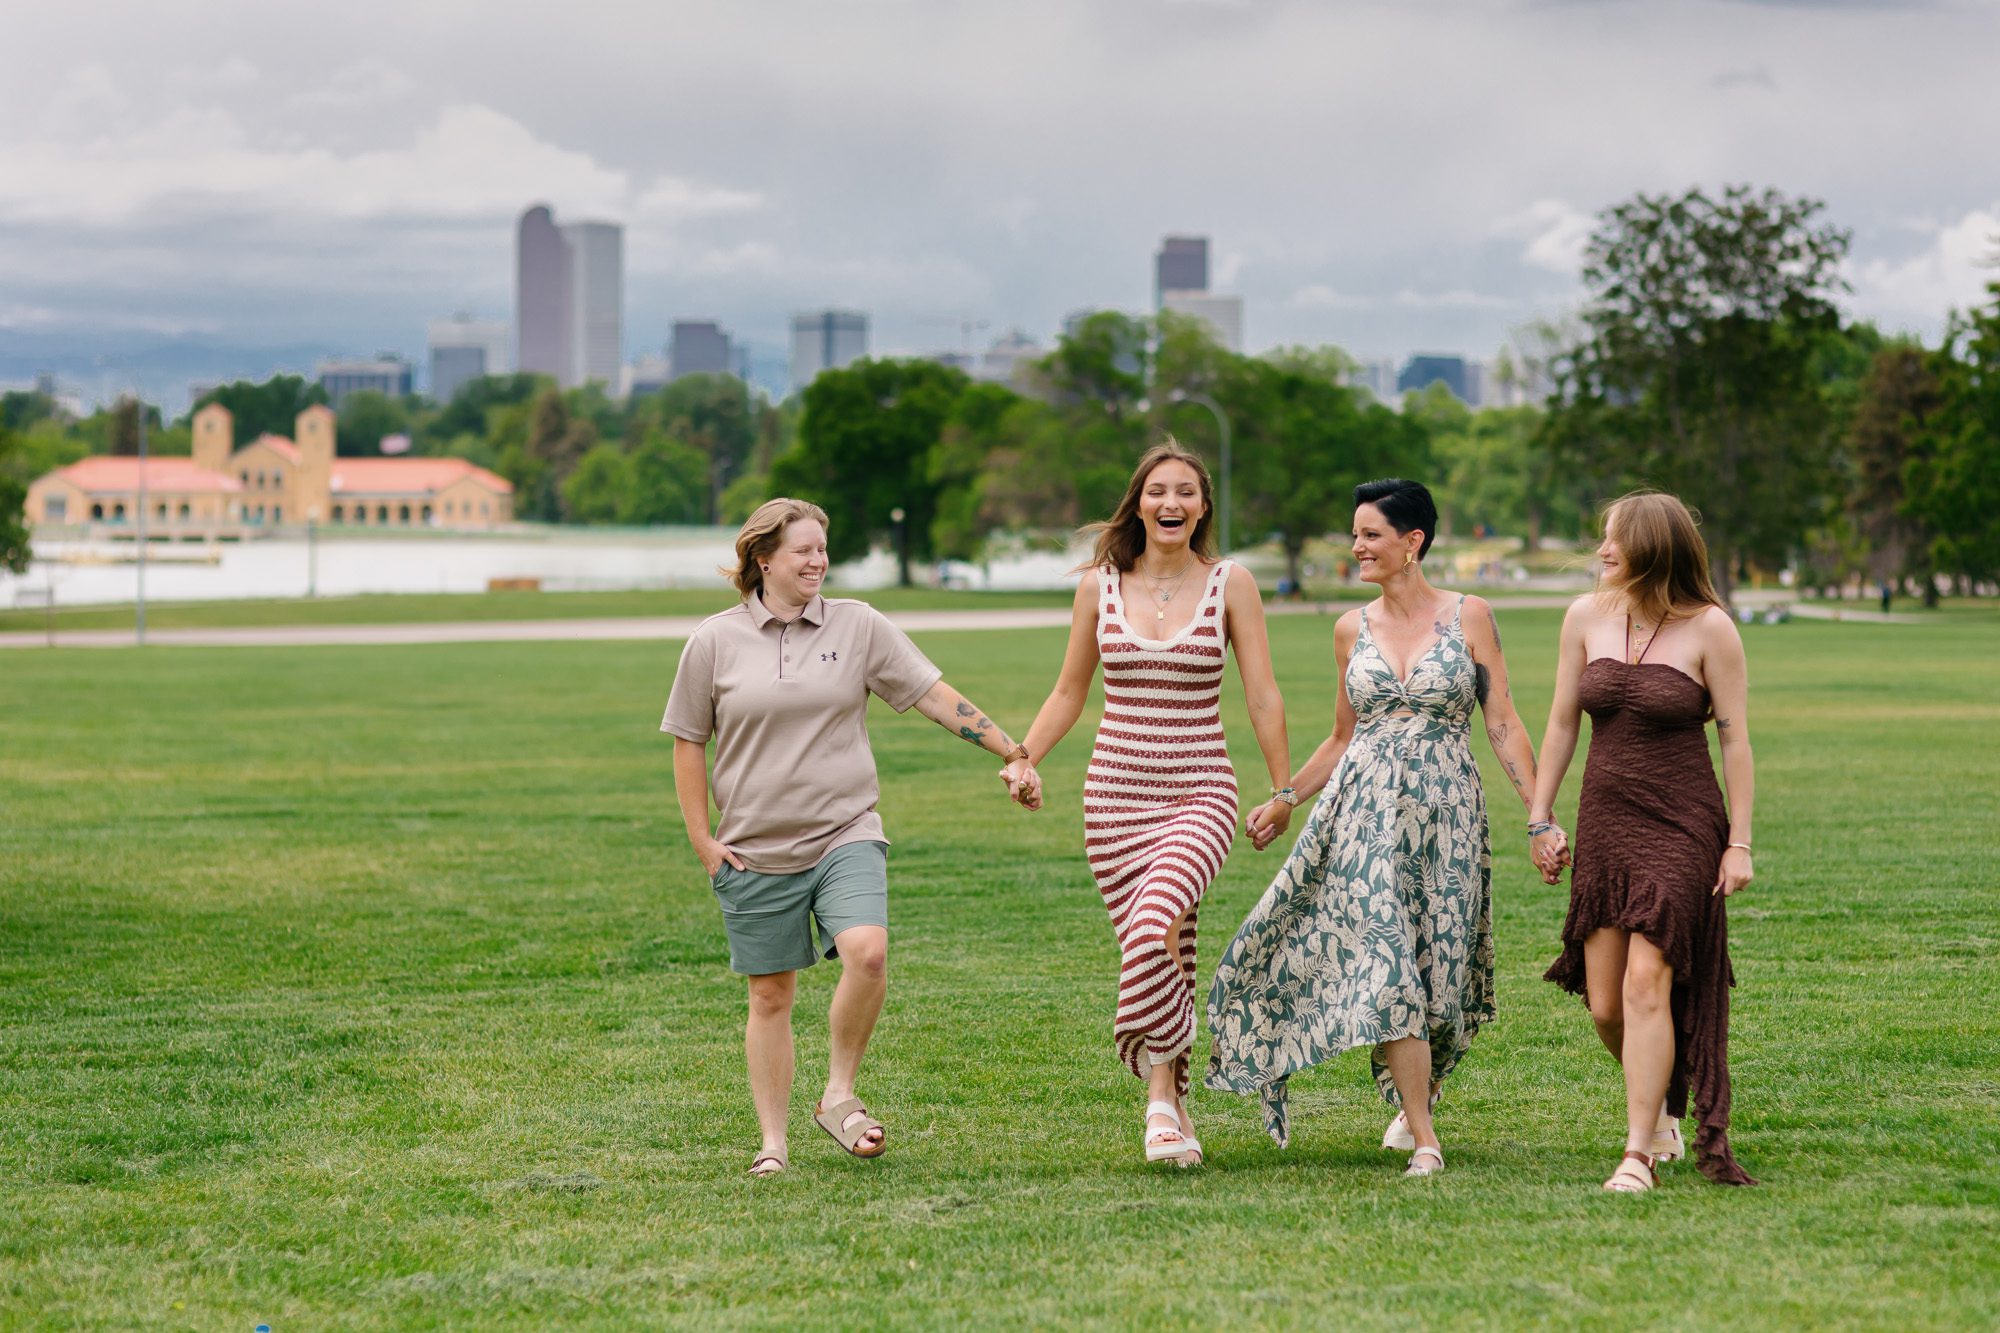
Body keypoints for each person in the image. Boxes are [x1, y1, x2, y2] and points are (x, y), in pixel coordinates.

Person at [662, 497, 1041, 1177]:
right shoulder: (713, 641)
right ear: (764, 558)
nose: (818, 561)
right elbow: (690, 741)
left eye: (823, 549)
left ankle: (838, 1092)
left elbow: (932, 693)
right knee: (770, 995)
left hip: (845, 830)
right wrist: (701, 838)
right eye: (804, 550)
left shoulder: (858, 625)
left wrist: (1010, 749)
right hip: (752, 847)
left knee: (867, 952)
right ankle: (772, 1143)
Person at [1206, 478, 1543, 1177]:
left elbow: (1503, 720)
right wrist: (1284, 796)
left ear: (1412, 541)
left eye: (1370, 534)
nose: (1356, 546)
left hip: (1448, 812)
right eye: (1354, 534)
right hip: (1360, 818)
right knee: (1388, 963)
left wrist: (1539, 817)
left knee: (1438, 972)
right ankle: (1425, 1138)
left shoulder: (1469, 616)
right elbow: (1340, 737)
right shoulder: (1348, 628)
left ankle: (1418, 1091)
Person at [1005, 441, 1290, 1167]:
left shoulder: (1232, 582)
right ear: (1137, 502)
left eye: (1187, 492)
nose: (1172, 503)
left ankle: (1159, 1094)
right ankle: (1175, 1103)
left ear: (1203, 506)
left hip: (1201, 791)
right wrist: (1024, 756)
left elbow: (1261, 690)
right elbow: (1070, 689)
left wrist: (1283, 788)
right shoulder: (1099, 586)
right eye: (1158, 491)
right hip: (1114, 798)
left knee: (1156, 922)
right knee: (1170, 945)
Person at [1528, 490, 1758, 1191]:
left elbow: (1735, 739)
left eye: (1614, 539)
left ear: (1653, 547)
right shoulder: (1584, 617)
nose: (1601, 550)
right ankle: (1658, 1106)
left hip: (1683, 821)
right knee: (1605, 1003)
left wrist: (1739, 841)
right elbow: (1564, 721)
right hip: (1606, 821)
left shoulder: (1711, 628)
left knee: (1646, 980)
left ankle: (1638, 1152)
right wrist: (1541, 816)